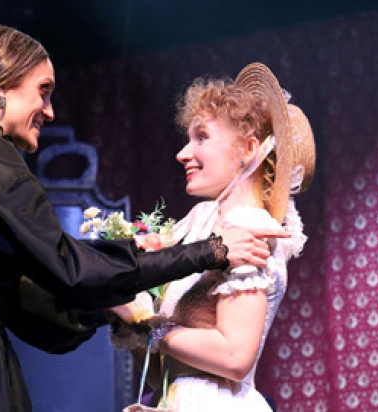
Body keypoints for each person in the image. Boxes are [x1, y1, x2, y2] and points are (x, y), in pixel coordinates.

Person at [0, 23, 285, 412]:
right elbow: (69, 267)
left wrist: (112, 300)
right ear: (1, 90)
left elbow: (30, 301)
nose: (49, 111)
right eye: (43, 91)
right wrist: (210, 251)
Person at [110, 63, 315, 411]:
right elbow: (164, 372)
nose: (182, 153)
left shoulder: (249, 225)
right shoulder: (202, 223)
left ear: (248, 149)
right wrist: (129, 315)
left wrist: (149, 326)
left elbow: (235, 356)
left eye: (201, 137)